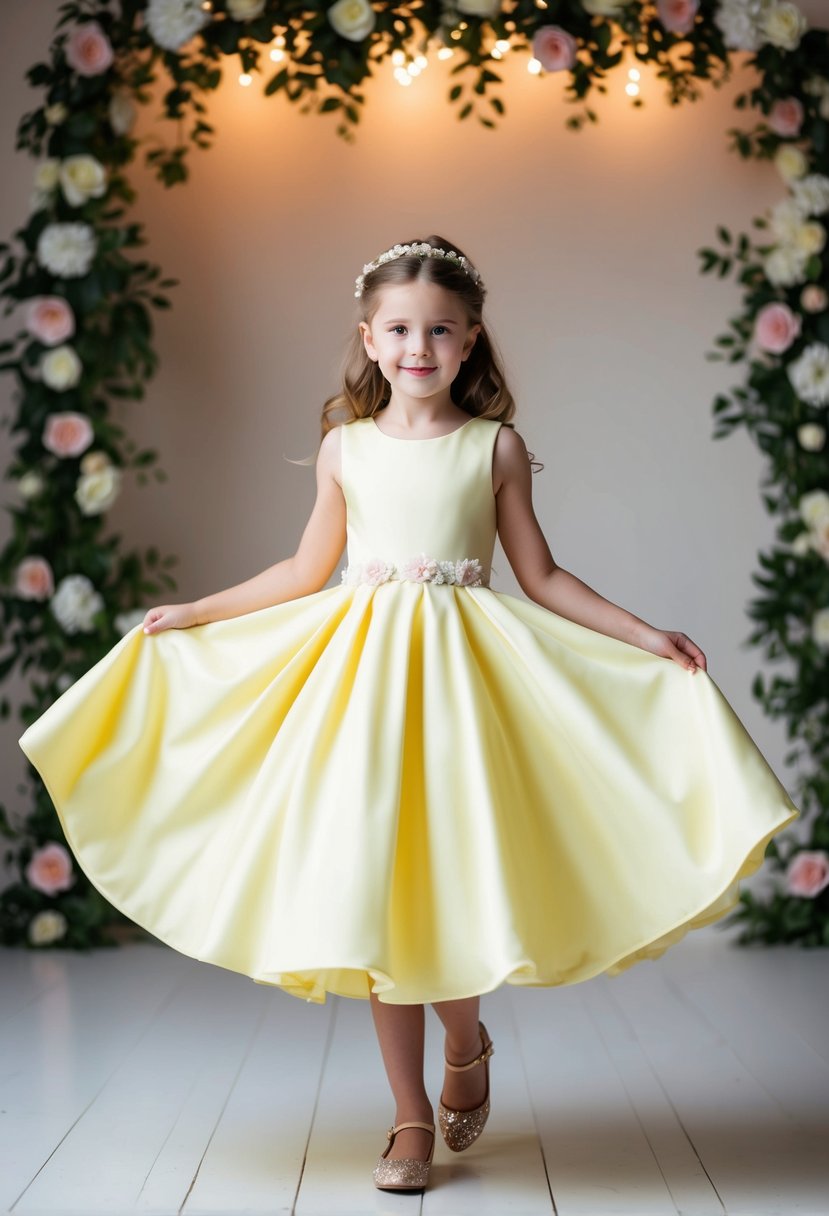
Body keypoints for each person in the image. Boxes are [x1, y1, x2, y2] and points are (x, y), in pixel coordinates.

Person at [19, 235, 799, 1195]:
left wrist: (643, 634)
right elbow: (306, 570)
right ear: (369, 338)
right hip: (365, 690)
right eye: (398, 329)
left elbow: (541, 575)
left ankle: (464, 1042)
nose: (417, 346)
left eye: (439, 329)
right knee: (380, 898)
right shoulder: (345, 448)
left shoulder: (494, 447)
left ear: (470, 340)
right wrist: (197, 613)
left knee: (451, 883)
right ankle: (407, 1117)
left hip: (466, 689)